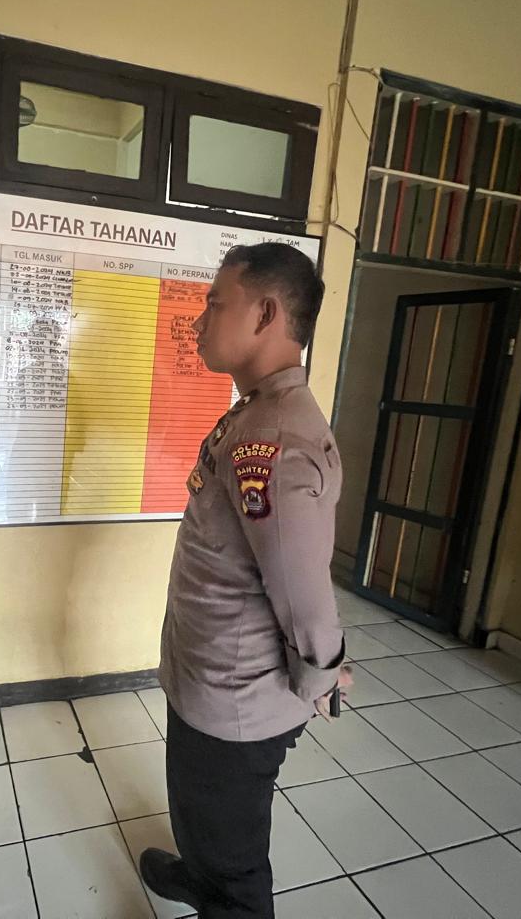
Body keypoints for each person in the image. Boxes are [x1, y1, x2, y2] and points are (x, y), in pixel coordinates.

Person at [141, 242, 353, 919]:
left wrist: (322, 674)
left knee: (233, 861)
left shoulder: (279, 440)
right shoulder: (256, 411)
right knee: (197, 807)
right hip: (208, 674)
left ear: (264, 315)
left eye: (214, 303)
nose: (199, 320)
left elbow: (302, 589)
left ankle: (220, 892)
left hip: (237, 700)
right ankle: (196, 872)